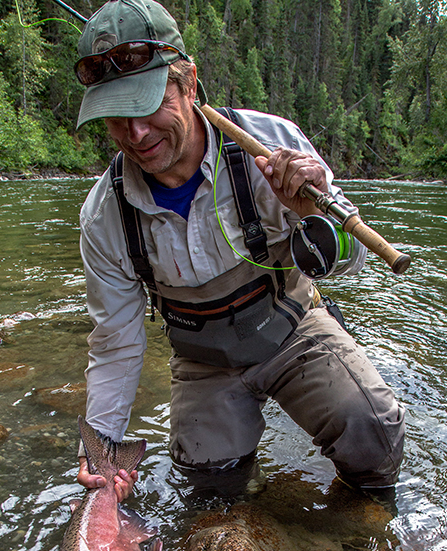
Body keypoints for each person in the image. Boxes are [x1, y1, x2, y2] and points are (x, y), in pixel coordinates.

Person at [74, 0, 405, 502]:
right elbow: (116, 343)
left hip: (292, 329)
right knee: (209, 491)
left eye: (146, 105)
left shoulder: (270, 146)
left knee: (374, 436)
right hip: (203, 363)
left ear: (188, 84)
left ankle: (358, 533)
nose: (136, 134)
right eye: (116, 117)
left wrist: (311, 215)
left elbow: (354, 261)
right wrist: (102, 447)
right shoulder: (105, 215)